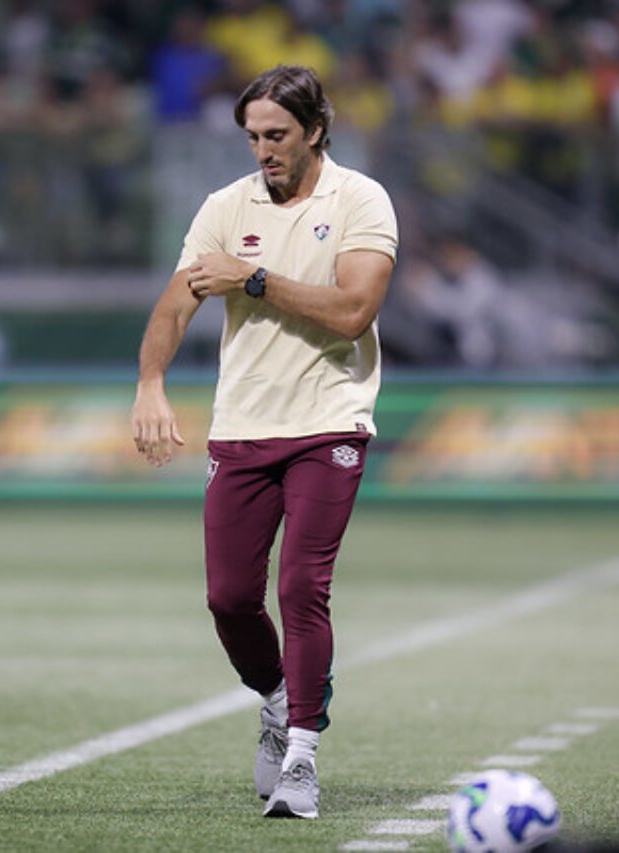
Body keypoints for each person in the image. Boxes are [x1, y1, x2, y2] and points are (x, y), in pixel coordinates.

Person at [130, 65, 397, 820]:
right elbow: (174, 307)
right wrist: (150, 382)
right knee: (229, 598)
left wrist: (252, 279)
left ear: (315, 130)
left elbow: (352, 311)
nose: (263, 151)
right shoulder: (225, 207)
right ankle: (279, 700)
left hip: (329, 421)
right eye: (252, 137)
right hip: (243, 426)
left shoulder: (360, 200)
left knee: (301, 587)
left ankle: (304, 758)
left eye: (276, 135)